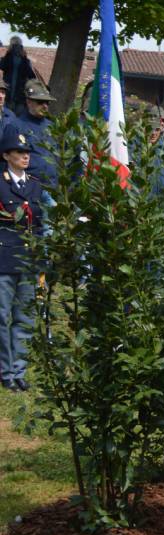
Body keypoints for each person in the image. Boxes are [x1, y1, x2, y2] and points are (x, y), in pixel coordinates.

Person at [0, 128, 42, 391]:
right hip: (3, 259)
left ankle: (19, 371)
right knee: (2, 317)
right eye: (19, 152)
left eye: (27, 152)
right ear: (6, 155)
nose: (25, 156)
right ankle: (5, 371)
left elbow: (39, 225)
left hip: (28, 259)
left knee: (25, 318)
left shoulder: (35, 184)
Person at [17, 80, 55, 189]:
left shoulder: (53, 127)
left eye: (47, 102)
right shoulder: (16, 126)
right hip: (29, 188)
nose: (45, 106)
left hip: (53, 188)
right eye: (40, 102)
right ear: (29, 102)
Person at [0, 38, 34, 118]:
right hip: (19, 95)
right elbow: (31, 75)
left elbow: (2, 66)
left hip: (9, 93)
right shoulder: (25, 60)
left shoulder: (8, 58)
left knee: (5, 117)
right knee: (18, 118)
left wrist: (8, 53)